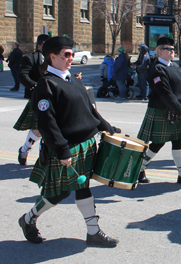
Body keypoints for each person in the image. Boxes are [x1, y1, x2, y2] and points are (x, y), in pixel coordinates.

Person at [18, 36, 120, 247]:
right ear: (52, 57)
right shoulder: (46, 85)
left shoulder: (73, 80)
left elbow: (90, 111)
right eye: (66, 55)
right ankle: (28, 219)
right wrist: (62, 150)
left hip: (85, 144)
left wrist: (107, 129)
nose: (70, 58)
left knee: (83, 188)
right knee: (58, 193)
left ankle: (93, 232)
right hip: (66, 147)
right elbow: (47, 123)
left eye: (72, 54)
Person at [136, 36, 181, 185]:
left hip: (174, 110)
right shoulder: (157, 69)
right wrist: (180, 110)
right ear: (159, 51)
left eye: (172, 49)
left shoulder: (174, 66)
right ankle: (139, 169)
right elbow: (165, 93)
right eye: (167, 49)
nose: (171, 51)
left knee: (177, 142)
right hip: (161, 110)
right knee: (158, 143)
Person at [15, 34, 51, 165]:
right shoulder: (30, 58)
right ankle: (24, 150)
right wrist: (36, 87)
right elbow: (22, 75)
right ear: (39, 46)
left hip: (53, 99)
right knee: (39, 129)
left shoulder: (54, 59)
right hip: (37, 98)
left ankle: (46, 157)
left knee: (49, 128)